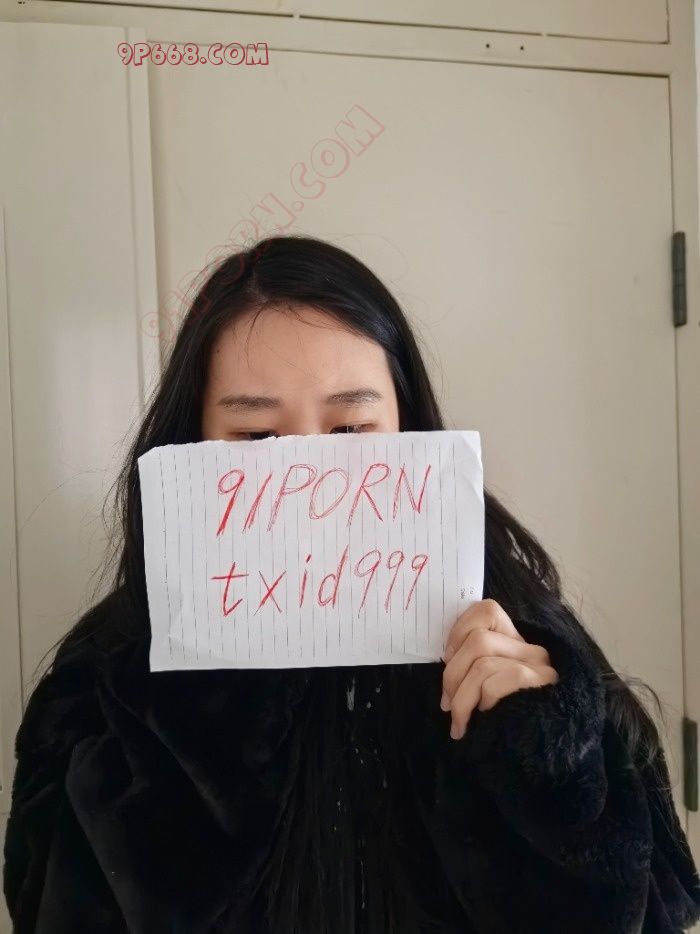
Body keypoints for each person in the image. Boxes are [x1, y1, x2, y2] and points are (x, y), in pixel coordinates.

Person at [3, 234, 700, 934]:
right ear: (193, 442)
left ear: (407, 427)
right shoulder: (116, 667)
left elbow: (656, 910)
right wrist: (201, 718)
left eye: (350, 429)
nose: (307, 482)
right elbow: (48, 907)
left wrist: (546, 766)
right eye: (257, 437)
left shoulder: (518, 642)